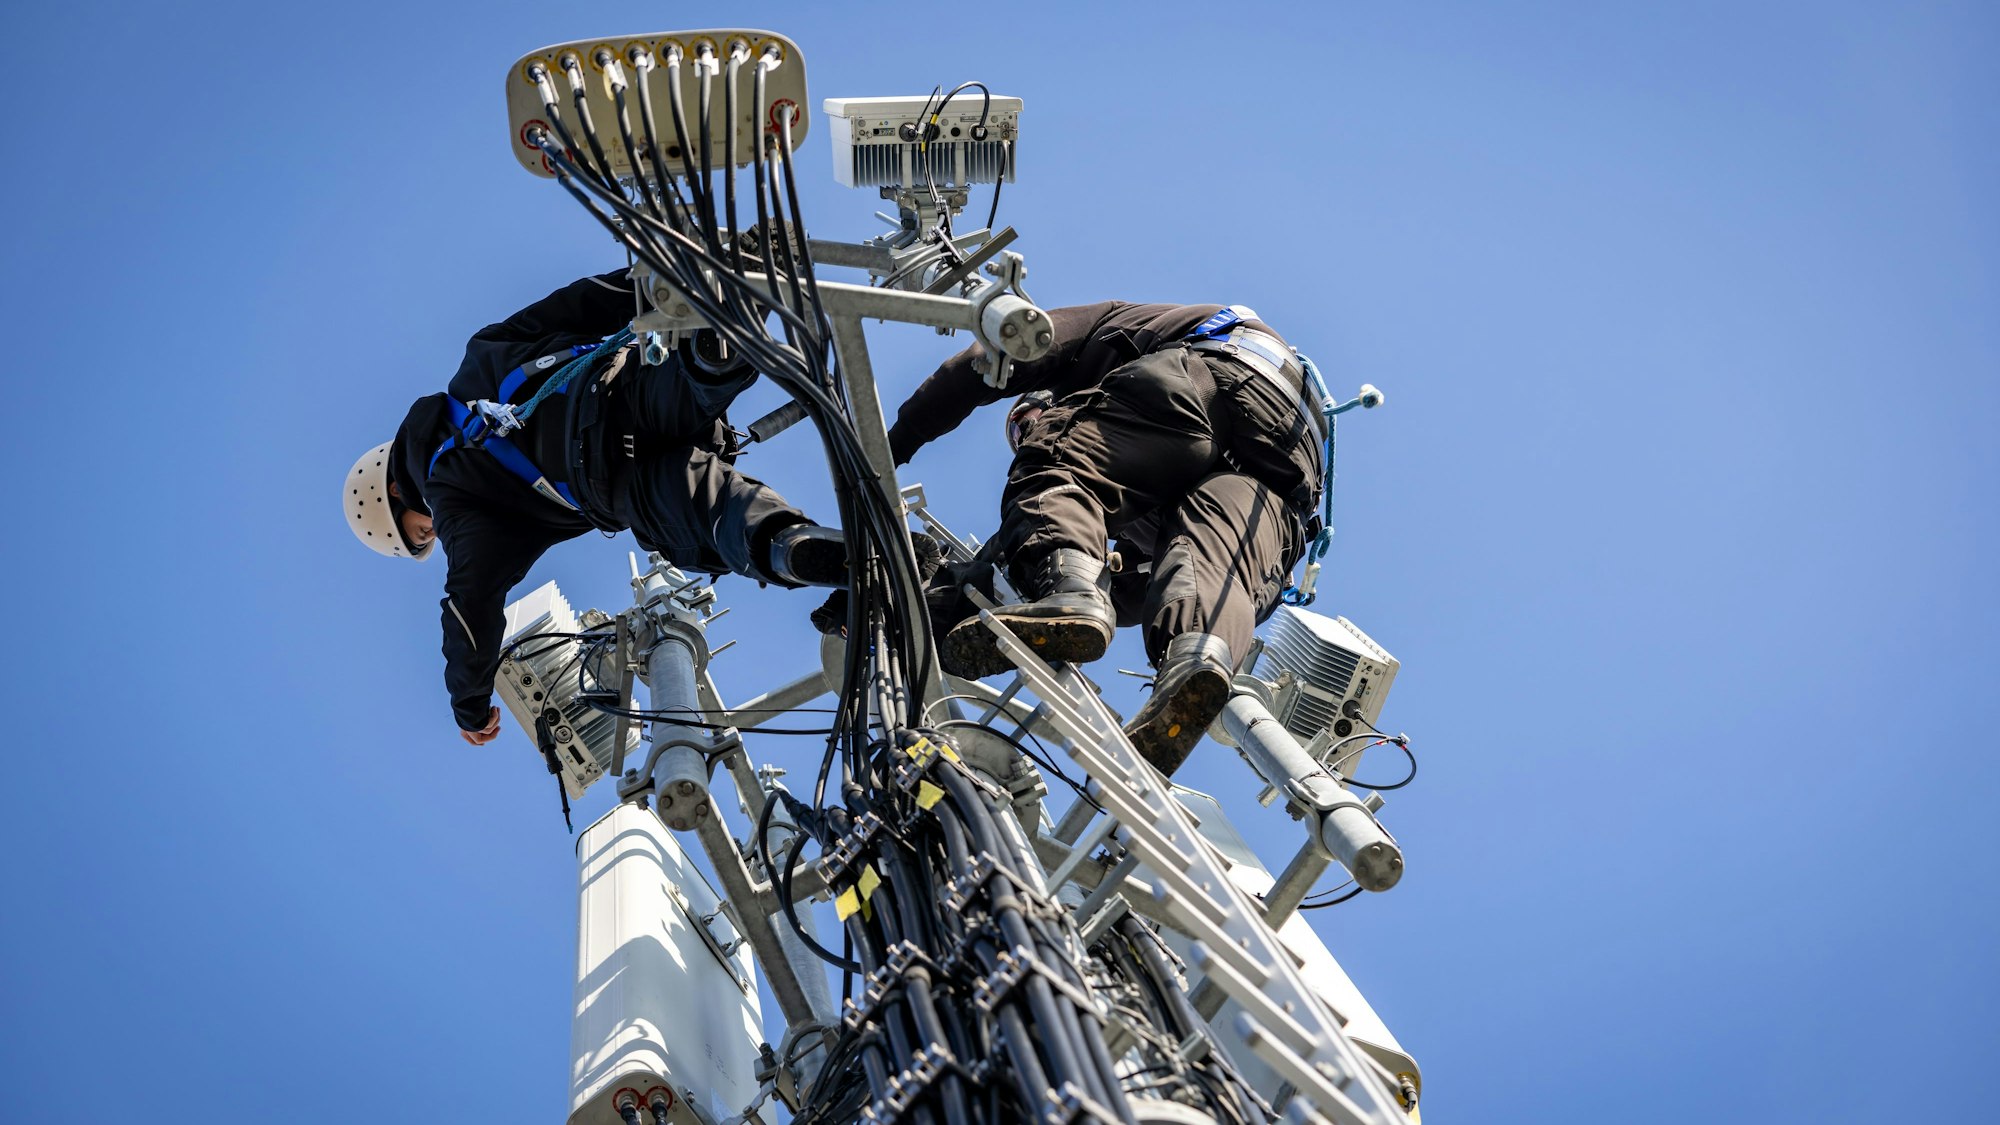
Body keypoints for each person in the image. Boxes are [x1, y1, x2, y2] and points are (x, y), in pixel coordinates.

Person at [343, 267, 851, 744]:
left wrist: (469, 706)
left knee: (707, 515)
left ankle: (788, 544)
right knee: (693, 380)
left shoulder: (450, 492)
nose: (432, 531)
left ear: (393, 491)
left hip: (612, 481)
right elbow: (577, 306)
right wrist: (661, 279)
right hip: (618, 387)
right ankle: (718, 331)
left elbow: (469, 603)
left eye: (419, 532)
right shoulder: (482, 355)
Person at [888, 302, 1325, 775]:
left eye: (1026, 418)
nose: (1024, 432)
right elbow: (1123, 594)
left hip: (1215, 379)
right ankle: (1194, 668)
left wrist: (890, 444)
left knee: (1058, 464)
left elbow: (1002, 350)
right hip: (1287, 468)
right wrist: (931, 606)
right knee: (1205, 567)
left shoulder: (1106, 334)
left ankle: (1070, 593)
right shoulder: (1138, 493)